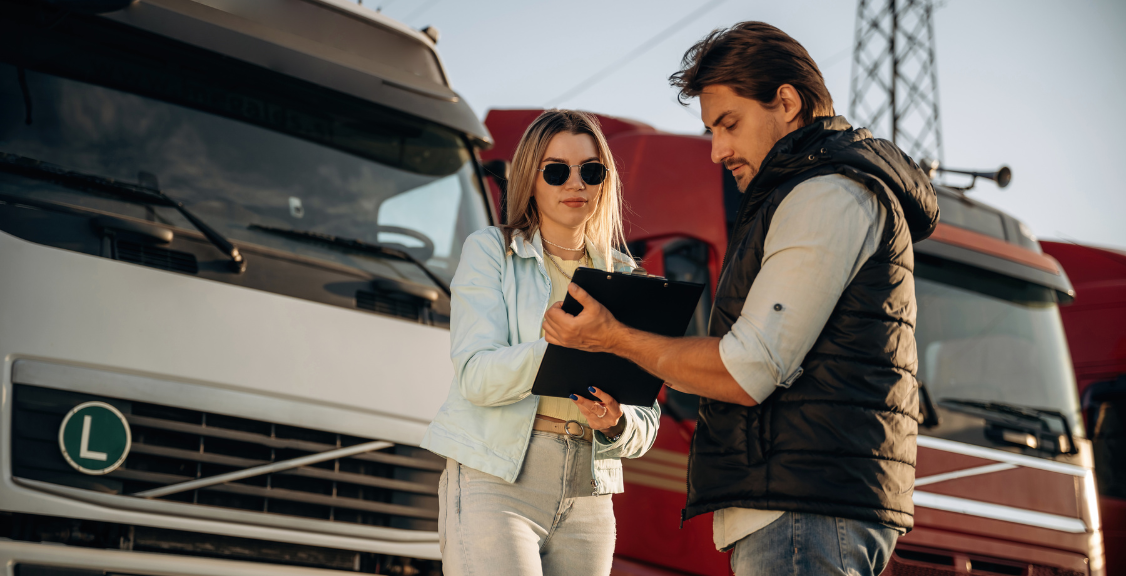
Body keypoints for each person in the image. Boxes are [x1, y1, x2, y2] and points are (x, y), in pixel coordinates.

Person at [542, 22, 939, 576]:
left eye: (728, 124)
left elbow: (747, 368)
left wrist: (614, 338)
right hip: (802, 509)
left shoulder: (827, 193)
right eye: (710, 130)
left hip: (804, 513)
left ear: (786, 102)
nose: (717, 151)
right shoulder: (807, 189)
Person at [421, 109, 661, 576]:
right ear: (531, 177)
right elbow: (475, 376)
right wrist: (561, 349)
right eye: (556, 171)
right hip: (497, 479)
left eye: (590, 171)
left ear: (604, 181)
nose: (576, 183)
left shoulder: (628, 277)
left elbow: (646, 419)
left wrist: (616, 422)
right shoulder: (491, 251)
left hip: (590, 496)